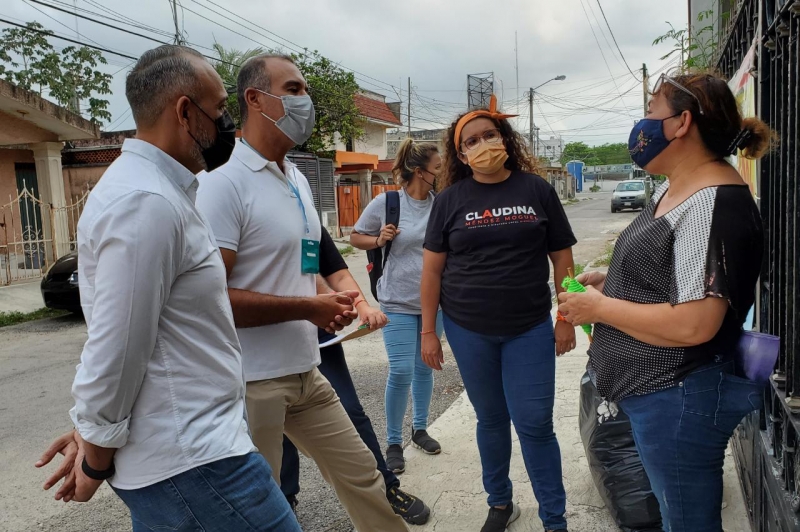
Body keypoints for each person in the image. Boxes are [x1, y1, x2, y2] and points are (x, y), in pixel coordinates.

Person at [34, 45, 300, 531]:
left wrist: (90, 430)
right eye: (219, 110)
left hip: (188, 456)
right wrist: (94, 455)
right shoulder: (146, 202)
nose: (228, 125)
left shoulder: (158, 192)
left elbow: (145, 333)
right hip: (196, 463)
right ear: (184, 111)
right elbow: (118, 347)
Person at [195, 53, 409, 532]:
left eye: (304, 90)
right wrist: (307, 308)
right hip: (252, 383)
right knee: (259, 511)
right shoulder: (222, 185)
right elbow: (212, 300)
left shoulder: (295, 179)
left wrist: (335, 300)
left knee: (365, 477)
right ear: (255, 99)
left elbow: (305, 263)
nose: (305, 100)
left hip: (305, 372)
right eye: (293, 89)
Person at [558, 72, 771, 532]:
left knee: (687, 521)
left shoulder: (711, 202)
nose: (643, 122)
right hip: (654, 392)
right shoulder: (675, 188)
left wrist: (599, 309)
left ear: (681, 123)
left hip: (678, 396)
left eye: (651, 110)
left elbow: (696, 323)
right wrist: (614, 281)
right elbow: (670, 273)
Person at [420, 95, 575, 532]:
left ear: (504, 137)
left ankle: (555, 520)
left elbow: (563, 260)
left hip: (529, 328)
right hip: (468, 329)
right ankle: (501, 504)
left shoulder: (537, 190)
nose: (482, 144)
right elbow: (431, 272)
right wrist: (428, 332)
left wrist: (566, 318)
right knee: (490, 420)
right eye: (471, 141)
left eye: (489, 134)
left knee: (535, 424)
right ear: (460, 153)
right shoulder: (449, 200)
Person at [279, 225, 431, 524]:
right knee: (276, 425)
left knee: (349, 410)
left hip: (319, 335)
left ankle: (386, 488)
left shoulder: (303, 213)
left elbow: (336, 272)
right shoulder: (237, 207)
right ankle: (284, 499)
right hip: (264, 342)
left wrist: (361, 305)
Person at [350, 138, 444, 474]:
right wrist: (378, 239)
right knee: (402, 370)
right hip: (396, 301)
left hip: (435, 304)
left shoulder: (440, 204)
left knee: (424, 368)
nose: (442, 172)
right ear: (420, 172)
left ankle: (420, 429)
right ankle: (393, 442)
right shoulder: (387, 203)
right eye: (437, 168)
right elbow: (355, 237)